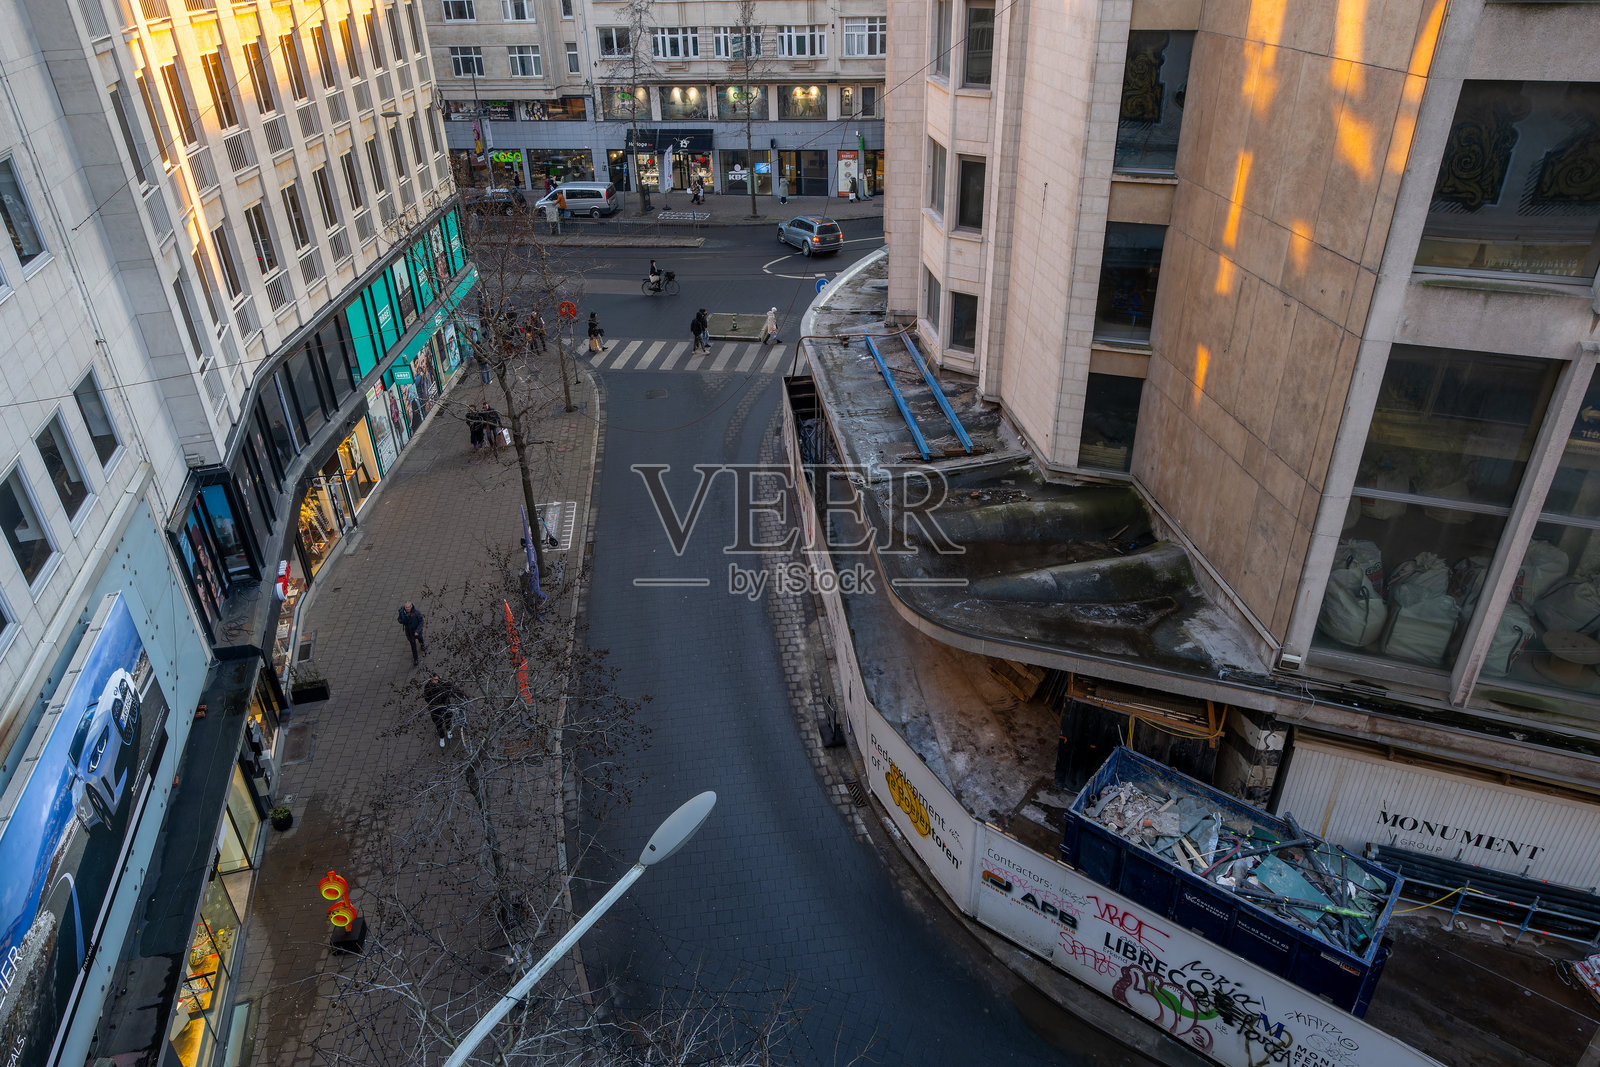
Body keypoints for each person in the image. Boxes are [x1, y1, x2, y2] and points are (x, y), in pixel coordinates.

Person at [423, 673, 459, 747]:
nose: (436, 681)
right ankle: (442, 737)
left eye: (437, 679)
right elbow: (427, 698)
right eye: (434, 680)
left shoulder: (444, 683)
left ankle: (449, 730)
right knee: (438, 724)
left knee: (448, 718)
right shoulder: (428, 687)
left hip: (445, 705)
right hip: (435, 709)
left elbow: (451, 690)